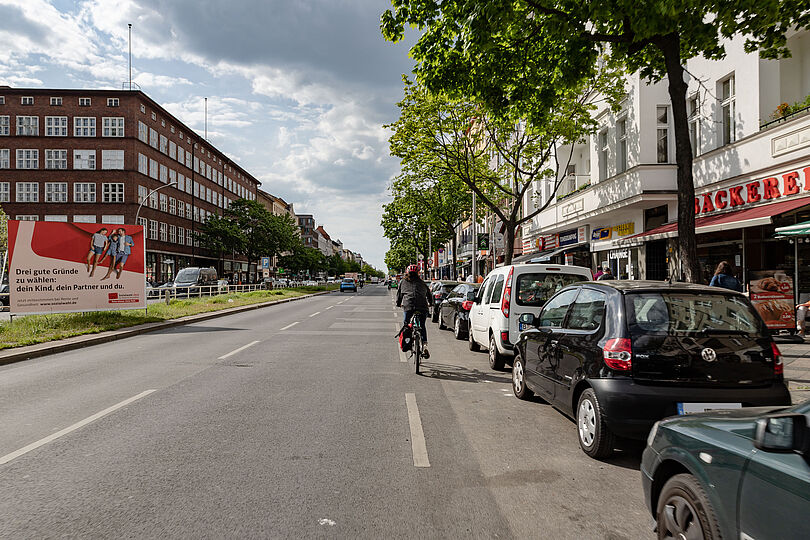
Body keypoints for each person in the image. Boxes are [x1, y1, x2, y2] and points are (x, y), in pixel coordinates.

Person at [396, 264, 433, 359]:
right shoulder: (422, 283)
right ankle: (424, 344)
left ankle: (407, 342)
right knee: (422, 325)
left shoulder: (403, 282)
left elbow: (399, 295)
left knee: (406, 325)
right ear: (418, 273)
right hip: (422, 307)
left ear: (407, 273)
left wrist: (398, 303)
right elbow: (429, 294)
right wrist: (431, 303)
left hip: (408, 306)